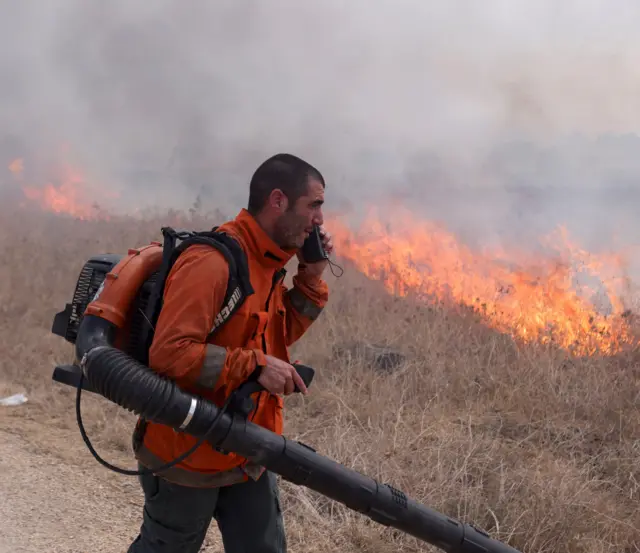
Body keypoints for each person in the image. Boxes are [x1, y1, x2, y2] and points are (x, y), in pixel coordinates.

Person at [127, 153, 332, 553]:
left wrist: (310, 278)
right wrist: (255, 366)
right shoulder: (213, 261)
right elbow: (169, 354)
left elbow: (277, 335)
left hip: (247, 451)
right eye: (314, 205)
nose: (319, 221)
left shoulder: (267, 262)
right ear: (278, 201)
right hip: (186, 457)